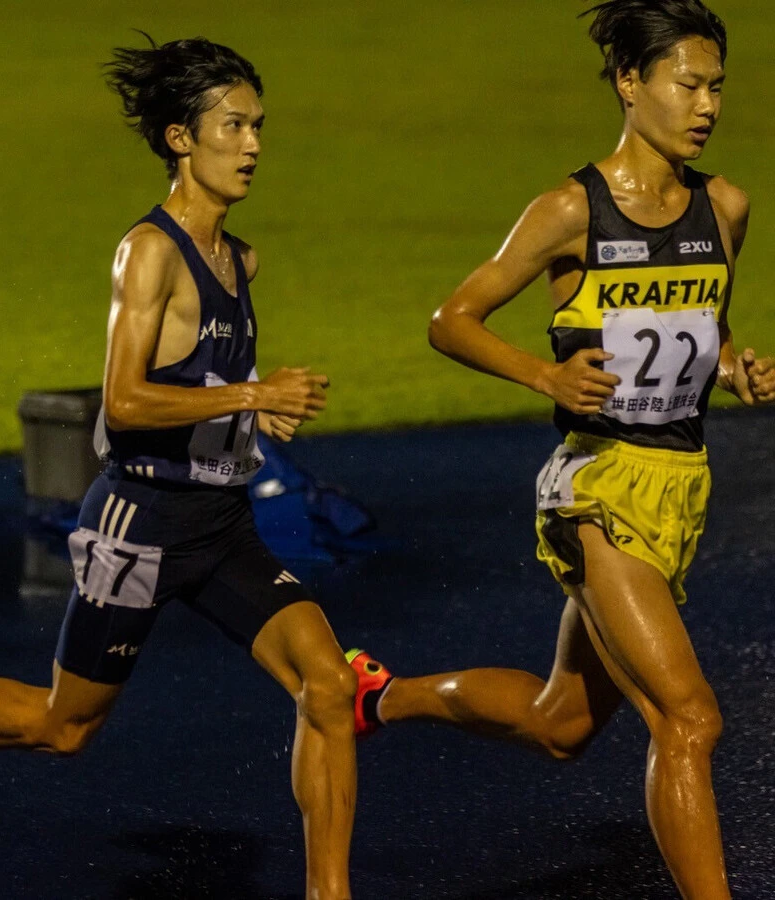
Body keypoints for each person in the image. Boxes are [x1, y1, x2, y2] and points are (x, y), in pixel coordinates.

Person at [0, 36, 367, 900]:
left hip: (221, 525)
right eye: (234, 125)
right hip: (140, 524)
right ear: (182, 139)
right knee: (62, 727)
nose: (255, 143)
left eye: (259, 125)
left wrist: (250, 410)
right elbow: (124, 403)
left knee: (330, 687)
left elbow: (207, 378)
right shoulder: (149, 253)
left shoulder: (240, 258)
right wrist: (249, 400)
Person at [348, 2, 773, 898]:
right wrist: (544, 380)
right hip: (598, 487)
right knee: (690, 721)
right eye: (686, 84)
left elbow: (706, 327)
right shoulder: (567, 210)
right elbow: (450, 321)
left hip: (680, 487)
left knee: (560, 724)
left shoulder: (724, 206)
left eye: (717, 87)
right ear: (630, 83)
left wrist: (736, 367)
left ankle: (379, 699)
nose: (706, 105)